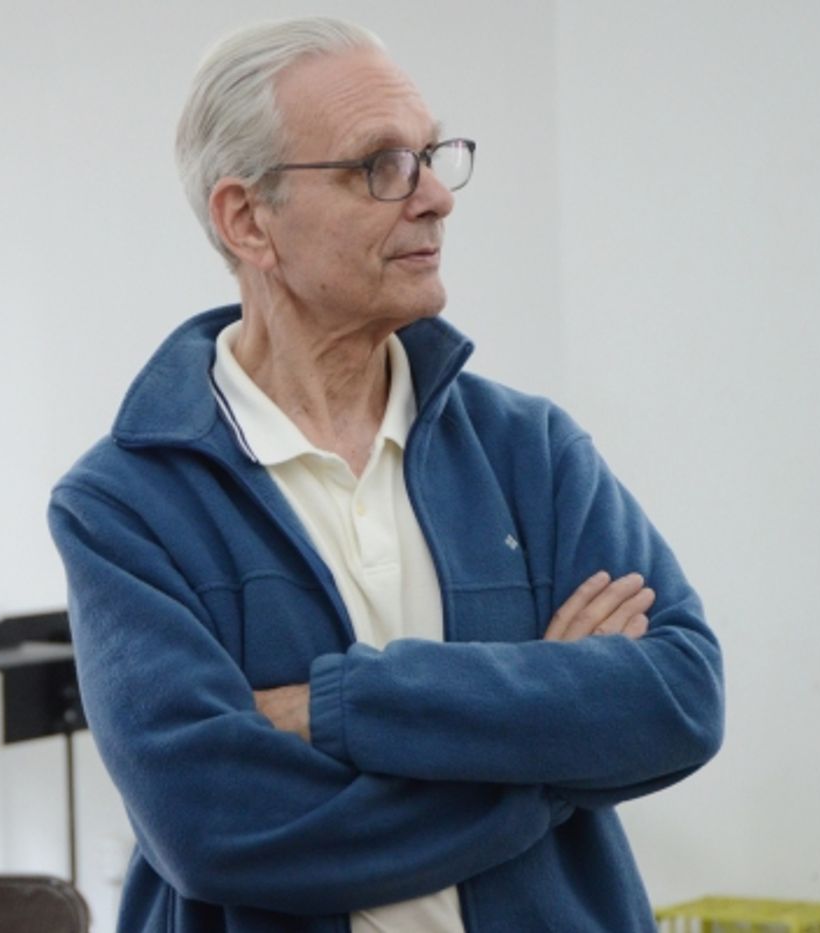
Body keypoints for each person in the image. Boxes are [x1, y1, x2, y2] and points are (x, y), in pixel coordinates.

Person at [48, 16, 723, 933]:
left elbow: (678, 696)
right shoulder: (126, 506)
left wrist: (340, 707)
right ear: (248, 219)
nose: (437, 196)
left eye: (434, 154)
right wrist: (548, 762)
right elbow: (214, 828)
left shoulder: (531, 449)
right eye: (381, 165)